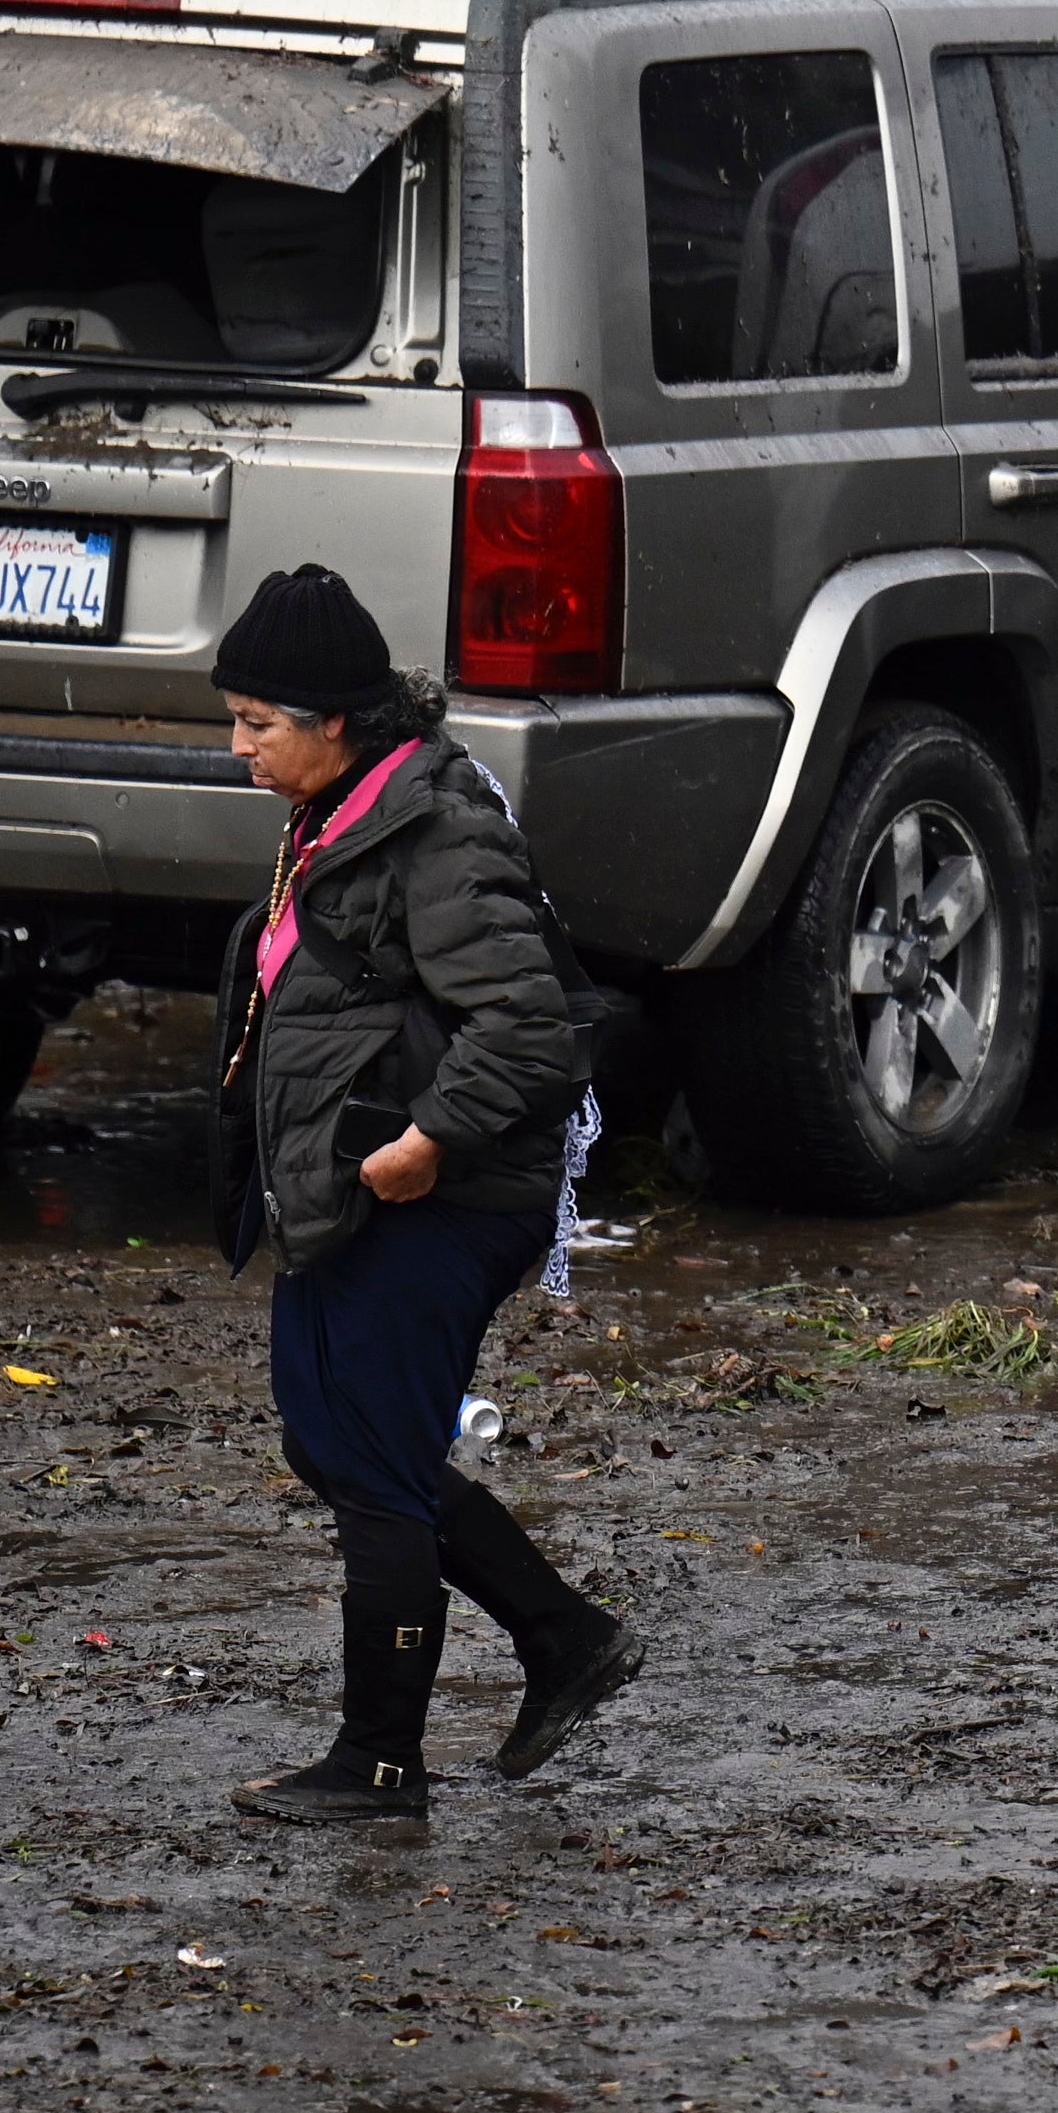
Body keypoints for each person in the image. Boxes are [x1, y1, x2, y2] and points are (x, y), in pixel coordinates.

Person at [207, 559, 636, 1821]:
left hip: (441, 1195)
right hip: (348, 1192)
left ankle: (381, 1762)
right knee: (329, 1435)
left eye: (258, 724)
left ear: (337, 720)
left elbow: (530, 1024)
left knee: (379, 1464)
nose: (238, 746)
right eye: (233, 718)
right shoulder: (340, 810)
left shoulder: (436, 828)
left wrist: (427, 1144)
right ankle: (564, 1639)